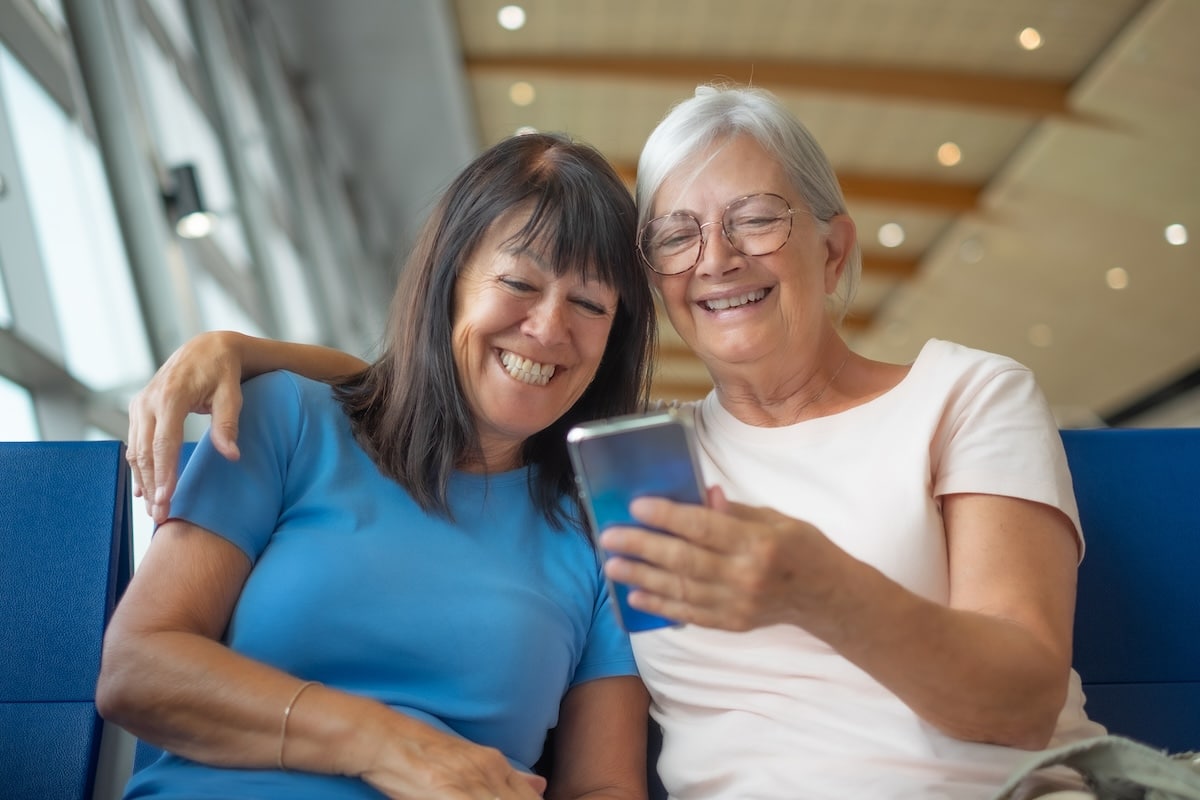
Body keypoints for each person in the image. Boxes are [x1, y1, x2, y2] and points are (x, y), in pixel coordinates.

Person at [124, 86, 1108, 799]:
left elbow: (1021, 697)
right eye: (676, 235)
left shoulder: (955, 395)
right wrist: (235, 348)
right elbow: (439, 389)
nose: (716, 258)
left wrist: (815, 582)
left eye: (756, 220)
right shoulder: (619, 467)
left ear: (834, 247)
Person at [99, 131, 658, 800]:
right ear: (449, 279)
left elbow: (604, 787)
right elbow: (137, 669)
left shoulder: (610, 531)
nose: (548, 326)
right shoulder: (287, 420)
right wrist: (383, 743)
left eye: (590, 304)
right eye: (518, 282)